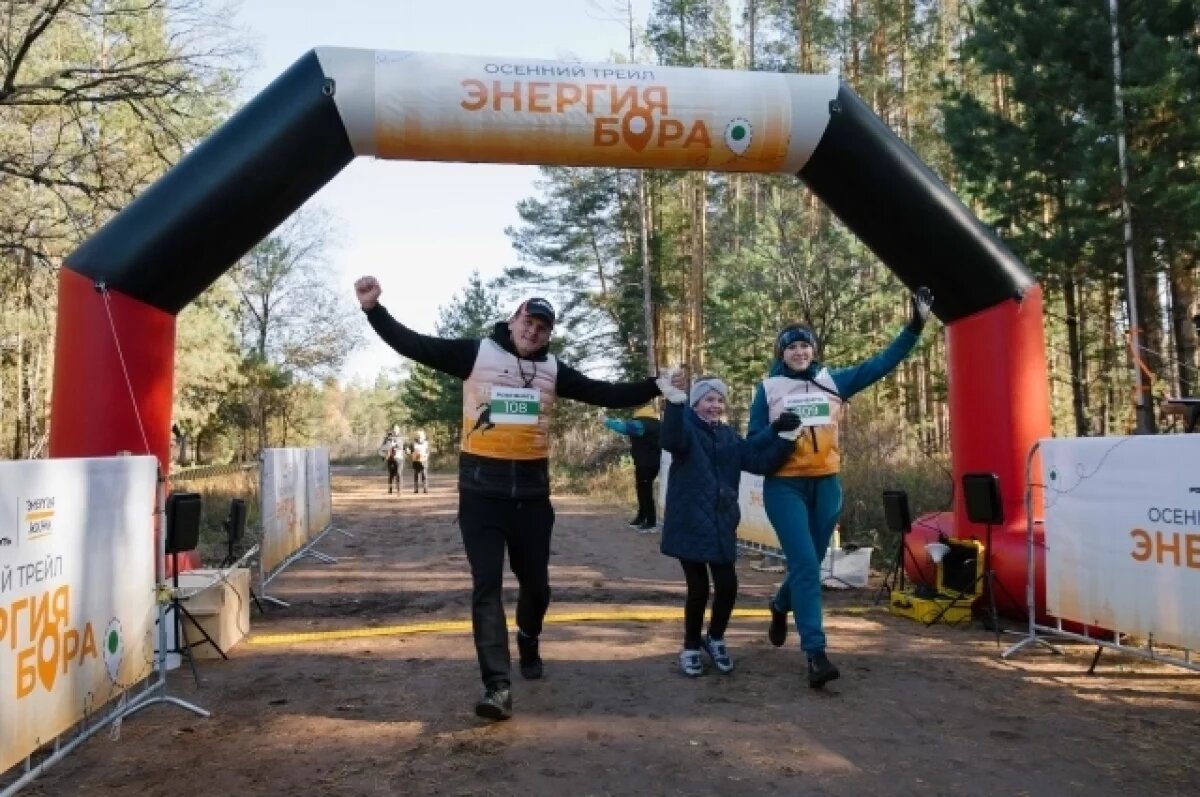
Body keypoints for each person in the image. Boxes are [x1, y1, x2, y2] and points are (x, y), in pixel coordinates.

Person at [354, 275, 681, 721]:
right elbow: (415, 345)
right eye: (528, 321)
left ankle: (529, 639)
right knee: (486, 586)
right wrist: (375, 311)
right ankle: (497, 687)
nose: (533, 331)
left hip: (531, 495)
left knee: (537, 587)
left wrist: (656, 385)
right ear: (512, 321)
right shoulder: (476, 354)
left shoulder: (553, 370)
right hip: (481, 494)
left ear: (548, 334)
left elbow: (604, 392)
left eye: (543, 327)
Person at [747, 287, 934, 688]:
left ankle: (780, 605)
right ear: (781, 354)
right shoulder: (767, 390)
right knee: (804, 566)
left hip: (826, 483)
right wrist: (774, 431)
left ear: (813, 350)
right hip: (785, 487)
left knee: (808, 566)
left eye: (804, 346)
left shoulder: (834, 382)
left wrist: (914, 328)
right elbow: (752, 441)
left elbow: (882, 363)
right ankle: (815, 652)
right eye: (791, 347)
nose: (799, 352)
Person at [658, 374, 800, 677]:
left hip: (721, 522)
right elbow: (670, 439)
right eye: (709, 399)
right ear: (695, 404)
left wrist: (785, 438)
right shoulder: (686, 431)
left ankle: (716, 638)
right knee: (697, 589)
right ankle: (691, 647)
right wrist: (673, 403)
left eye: (720, 399)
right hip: (689, 522)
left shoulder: (727, 435)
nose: (715, 405)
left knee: (727, 586)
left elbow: (757, 459)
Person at [602, 403, 662, 532]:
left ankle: (650, 522)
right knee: (642, 488)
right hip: (649, 462)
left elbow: (624, 428)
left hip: (646, 462)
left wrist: (607, 421)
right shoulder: (655, 422)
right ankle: (641, 517)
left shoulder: (642, 423)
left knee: (645, 490)